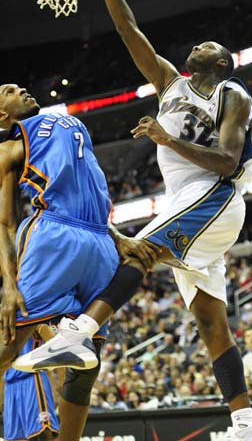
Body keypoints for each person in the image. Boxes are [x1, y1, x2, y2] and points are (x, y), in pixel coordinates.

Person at [15, 0, 252, 441]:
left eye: (215, 47)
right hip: (193, 205)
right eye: (200, 44)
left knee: (141, 251)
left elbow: (226, 160)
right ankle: (245, 425)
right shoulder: (170, 85)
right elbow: (127, 29)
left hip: (218, 194)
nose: (204, 44)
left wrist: (164, 136)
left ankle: (80, 332)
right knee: (209, 319)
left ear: (225, 64)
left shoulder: (233, 95)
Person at [0, 83, 160, 441]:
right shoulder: (10, 144)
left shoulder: (68, 123)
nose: (21, 88)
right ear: (1, 114)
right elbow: (5, 223)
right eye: (9, 90)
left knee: (86, 363)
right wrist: (9, 285)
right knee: (10, 343)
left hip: (99, 237)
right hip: (55, 236)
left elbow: (89, 190)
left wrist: (117, 238)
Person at [3, 324, 59, 441]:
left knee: (43, 431)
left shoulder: (36, 323)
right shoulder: (3, 326)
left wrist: (59, 384)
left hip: (32, 379)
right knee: (15, 438)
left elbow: (58, 348)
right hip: (9, 385)